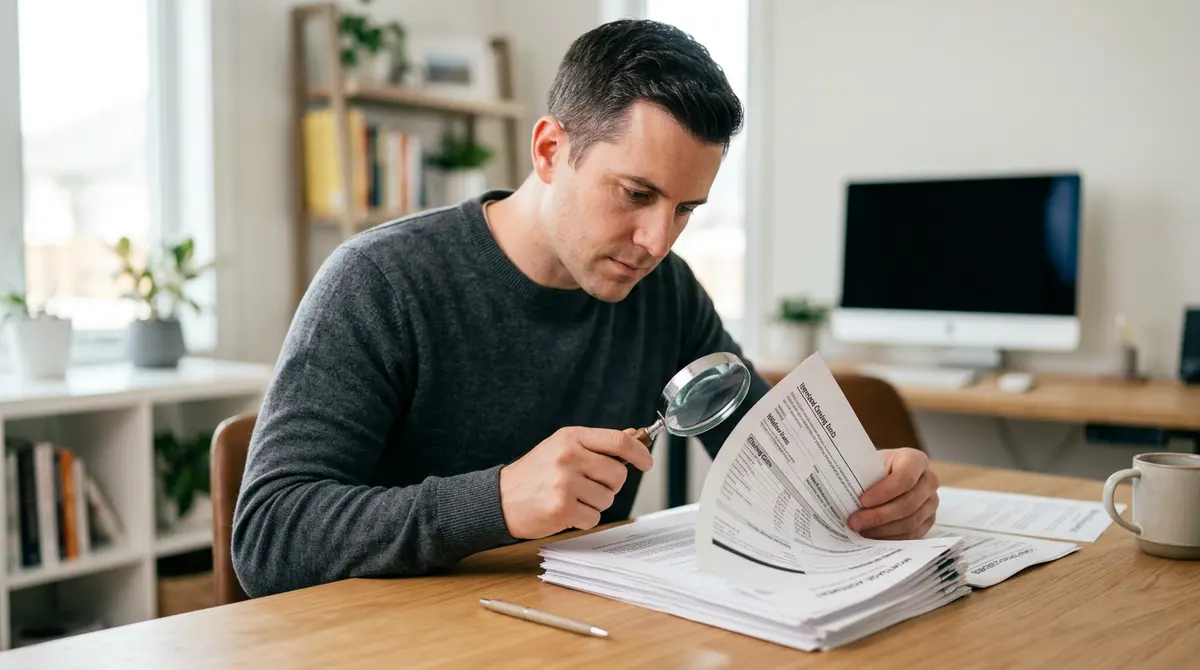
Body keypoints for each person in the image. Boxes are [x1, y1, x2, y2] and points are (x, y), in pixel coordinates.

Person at [232, 19, 939, 598]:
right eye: (635, 194)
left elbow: (769, 453)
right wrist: (499, 500)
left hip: (578, 638)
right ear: (548, 150)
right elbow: (268, 536)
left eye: (685, 209)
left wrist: (869, 485)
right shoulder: (380, 282)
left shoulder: (665, 292)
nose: (657, 240)